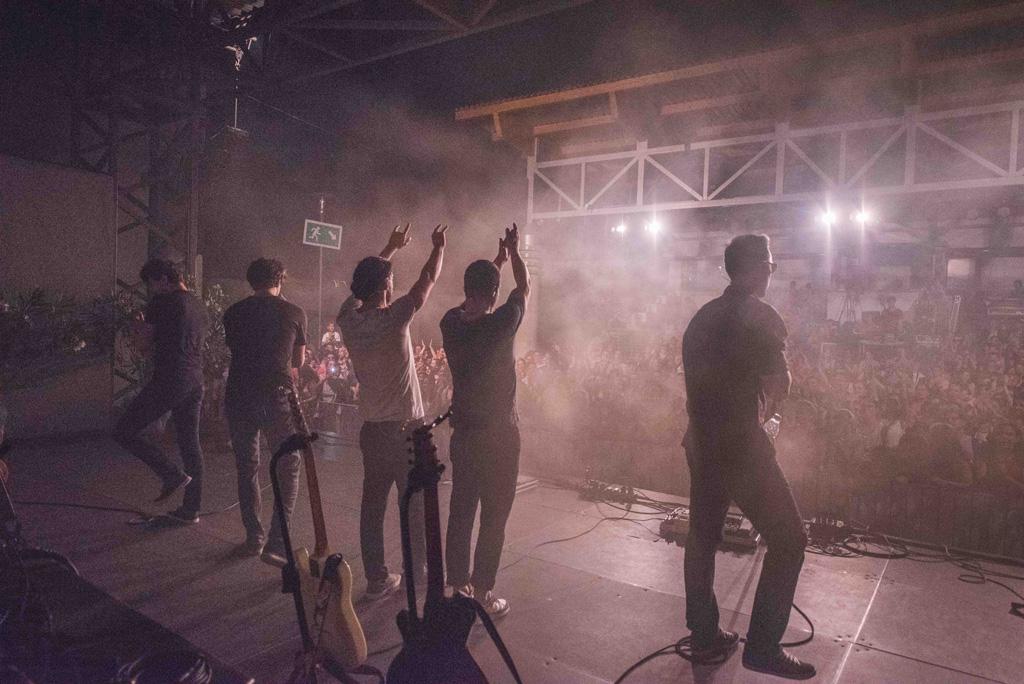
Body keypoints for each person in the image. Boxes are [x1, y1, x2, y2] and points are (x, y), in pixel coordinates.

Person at [681, 234, 814, 679]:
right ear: (756, 269)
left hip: (701, 442)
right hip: (740, 446)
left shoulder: (701, 318)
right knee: (790, 539)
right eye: (771, 265)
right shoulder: (761, 316)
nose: (772, 272)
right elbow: (780, 384)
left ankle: (704, 634)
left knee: (702, 536)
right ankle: (762, 647)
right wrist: (767, 417)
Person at [337, 223, 448, 600]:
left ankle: (376, 579)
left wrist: (389, 248)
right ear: (385, 285)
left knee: (372, 507)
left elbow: (360, 289)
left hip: (372, 431)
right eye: (390, 278)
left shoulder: (348, 321)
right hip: (405, 431)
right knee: (413, 505)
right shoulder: (395, 317)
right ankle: (416, 574)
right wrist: (438, 248)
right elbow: (428, 278)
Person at [441, 224, 530, 618]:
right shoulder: (502, 322)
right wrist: (513, 253)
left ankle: (457, 587)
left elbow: (477, 298)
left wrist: (496, 262)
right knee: (495, 516)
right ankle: (482, 592)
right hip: (500, 437)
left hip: (464, 436)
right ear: (495, 293)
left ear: (466, 289)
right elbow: (523, 286)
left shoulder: (450, 323)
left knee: (461, 510)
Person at [222, 258, 307, 564]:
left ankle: (253, 538)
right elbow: (298, 362)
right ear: (280, 279)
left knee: (247, 466)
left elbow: (237, 349)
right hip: (276, 396)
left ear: (251, 281)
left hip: (239, 395)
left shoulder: (233, 312)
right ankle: (277, 543)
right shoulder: (294, 312)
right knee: (288, 465)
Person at [113, 259, 207, 523]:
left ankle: (170, 474)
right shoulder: (198, 305)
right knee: (190, 444)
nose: (152, 290)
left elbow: (143, 347)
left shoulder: (162, 303)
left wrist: (138, 327)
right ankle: (191, 509)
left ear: (163, 279)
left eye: (152, 284)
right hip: (195, 379)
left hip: (169, 378)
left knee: (124, 430)